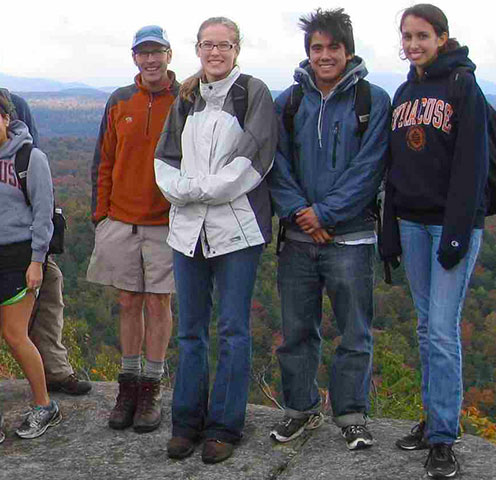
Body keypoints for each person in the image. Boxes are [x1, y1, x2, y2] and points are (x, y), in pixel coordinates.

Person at [153, 16, 277, 465]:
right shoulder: (186, 97)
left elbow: (255, 158)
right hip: (188, 231)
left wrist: (197, 189)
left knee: (232, 330)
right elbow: (163, 158)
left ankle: (225, 427)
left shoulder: (253, 93)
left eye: (224, 45)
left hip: (238, 229)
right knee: (189, 332)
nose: (216, 52)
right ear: (198, 48)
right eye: (208, 44)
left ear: (237, 48)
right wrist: (185, 191)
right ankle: (186, 423)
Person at [266, 8, 390, 452]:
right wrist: (302, 212)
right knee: (297, 330)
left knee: (354, 330)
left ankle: (352, 414)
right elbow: (274, 162)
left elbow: (370, 167)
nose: (324, 55)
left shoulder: (372, 101)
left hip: (352, 238)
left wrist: (326, 214)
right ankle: (300, 409)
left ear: (348, 50)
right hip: (298, 240)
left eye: (332, 47)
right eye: (316, 48)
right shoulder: (289, 101)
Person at [0, 33, 90, 410]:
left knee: (47, 293)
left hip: (20, 232)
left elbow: (31, 162)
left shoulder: (17, 104)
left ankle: (54, 370)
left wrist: (37, 250)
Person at [379, 4, 489, 478]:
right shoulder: (404, 92)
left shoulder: (463, 87)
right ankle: (432, 421)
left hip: (451, 227)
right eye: (407, 36)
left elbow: (473, 166)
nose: (413, 44)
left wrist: (459, 232)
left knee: (443, 332)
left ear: (442, 37)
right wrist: (390, 230)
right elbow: (396, 169)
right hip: (411, 224)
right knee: (426, 329)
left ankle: (445, 439)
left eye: (422, 35)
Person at [87, 25, 179, 434]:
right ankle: (128, 386)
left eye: (156, 52)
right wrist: (100, 215)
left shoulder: (185, 100)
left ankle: (152, 386)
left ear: (170, 55)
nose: (150, 60)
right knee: (128, 302)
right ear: (134, 58)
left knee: (159, 304)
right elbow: (103, 161)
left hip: (166, 221)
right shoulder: (120, 100)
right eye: (143, 54)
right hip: (121, 219)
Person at [0, 93, 60, 445]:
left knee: (15, 334)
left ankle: (44, 404)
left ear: (6, 119)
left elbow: (43, 213)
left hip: (19, 256)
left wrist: (37, 260)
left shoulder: (30, 157)